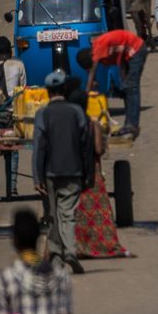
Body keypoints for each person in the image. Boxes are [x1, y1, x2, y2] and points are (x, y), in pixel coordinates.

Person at [32, 70, 91, 274]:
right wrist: (87, 172)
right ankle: (69, 252)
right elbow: (86, 144)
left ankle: (57, 254)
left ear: (48, 92)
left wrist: (37, 176)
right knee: (67, 213)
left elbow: (39, 146)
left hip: (50, 172)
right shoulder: (76, 112)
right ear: (64, 90)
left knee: (52, 214)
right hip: (73, 170)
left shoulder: (42, 114)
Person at [71, 87, 131, 261]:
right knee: (99, 212)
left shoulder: (65, 123)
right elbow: (98, 149)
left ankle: (76, 247)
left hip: (69, 172)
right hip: (91, 173)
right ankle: (101, 245)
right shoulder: (92, 124)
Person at [0, 36, 27, 197]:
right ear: (10, 49)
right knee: (12, 150)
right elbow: (22, 91)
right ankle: (12, 189)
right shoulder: (18, 65)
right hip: (11, 114)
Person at [87, 29, 146, 139]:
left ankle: (132, 125)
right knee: (126, 88)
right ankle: (129, 124)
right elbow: (121, 58)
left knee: (132, 88)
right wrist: (123, 81)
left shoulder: (98, 47)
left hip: (137, 49)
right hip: (129, 53)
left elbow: (92, 71)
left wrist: (86, 94)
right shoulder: (100, 46)